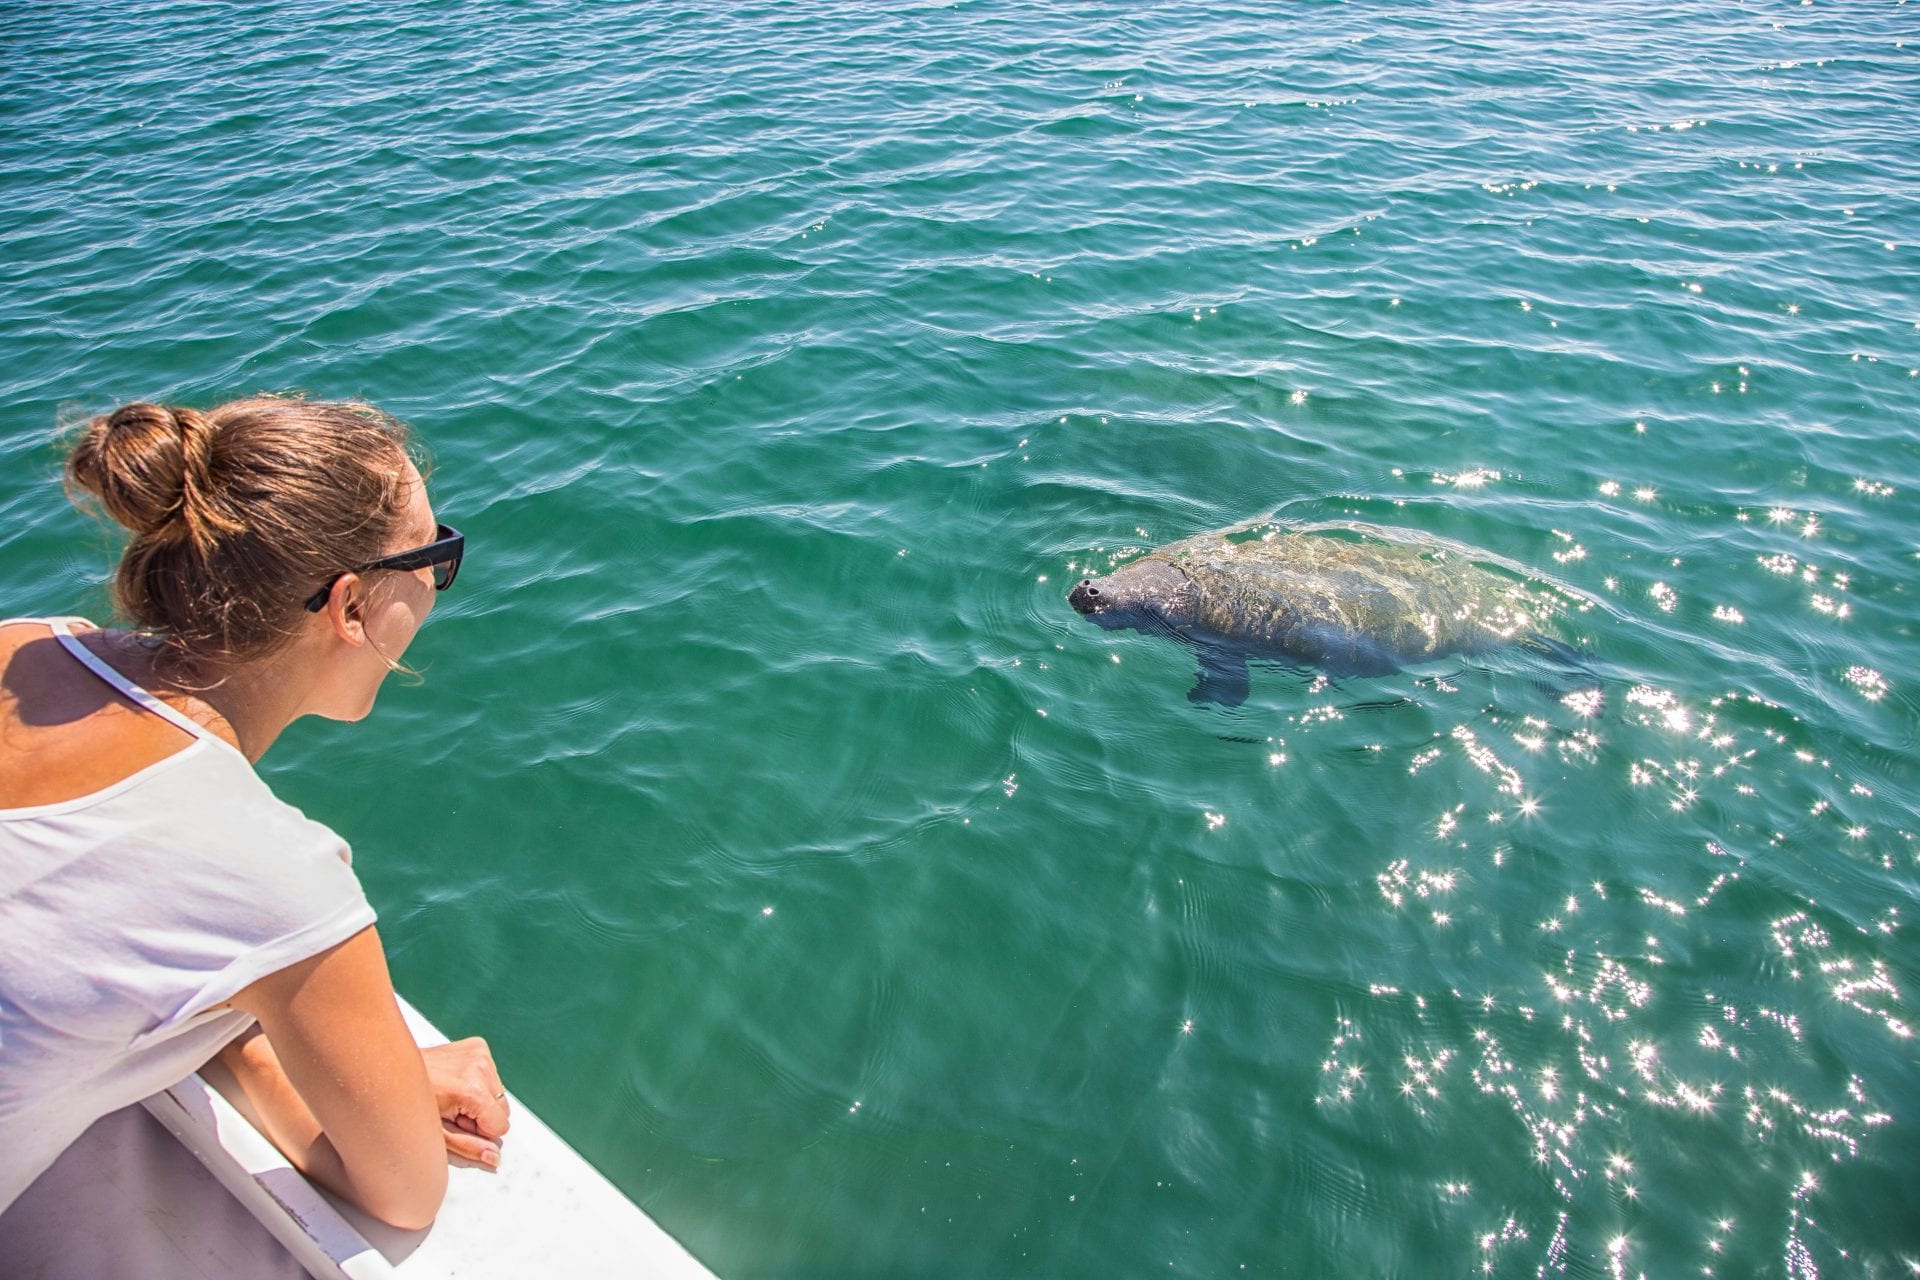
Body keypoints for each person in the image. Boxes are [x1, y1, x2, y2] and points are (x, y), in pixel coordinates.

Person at [0, 396, 506, 1230]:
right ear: (349, 609)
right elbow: (405, 1194)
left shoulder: (24, 643)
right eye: (434, 557)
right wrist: (257, 1039)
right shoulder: (271, 878)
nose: (434, 584)